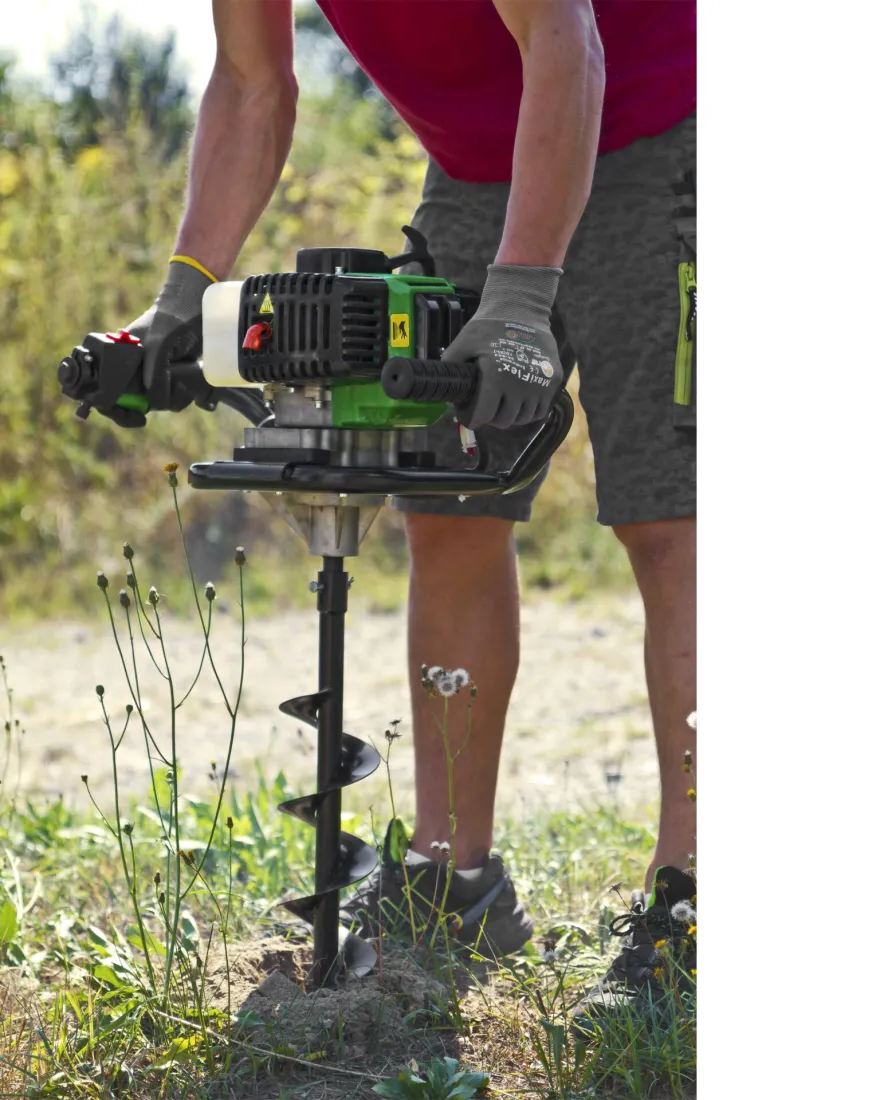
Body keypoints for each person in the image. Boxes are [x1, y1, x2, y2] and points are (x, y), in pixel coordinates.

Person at [122, 0, 696, 1016]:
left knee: (674, 515)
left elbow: (564, 38)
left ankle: (695, 898)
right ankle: (452, 880)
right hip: (476, 173)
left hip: (664, 135)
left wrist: (520, 296)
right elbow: (251, 83)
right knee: (448, 501)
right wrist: (184, 295)